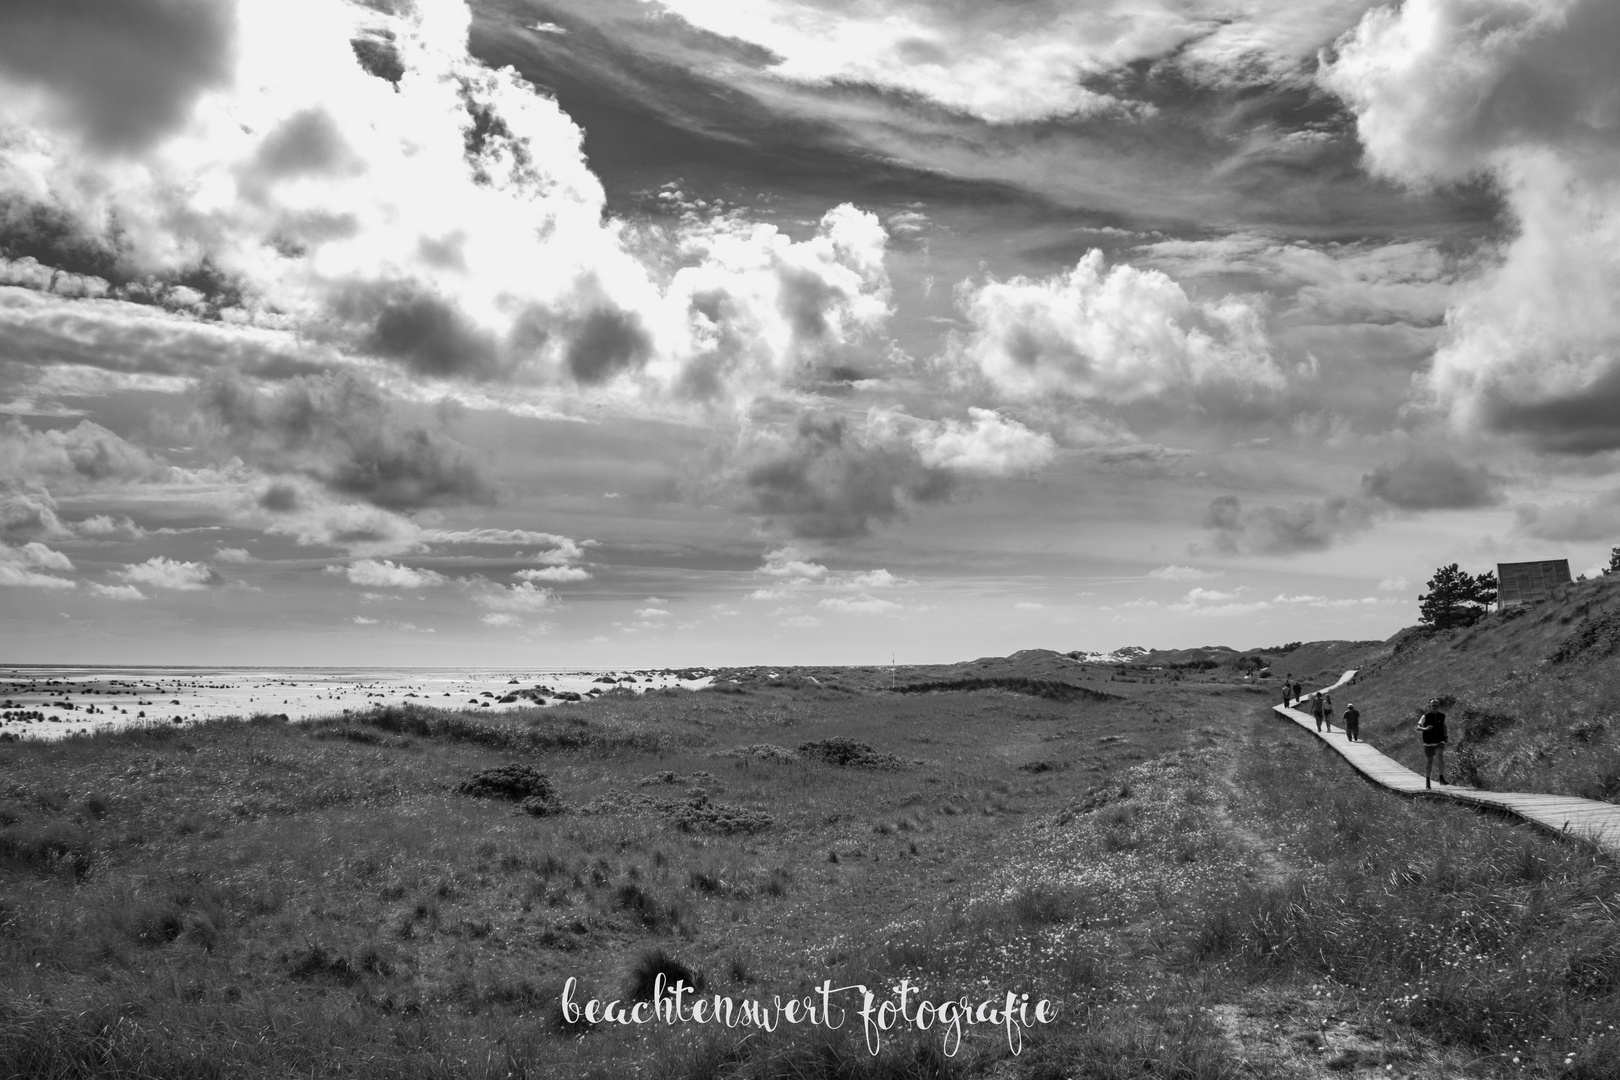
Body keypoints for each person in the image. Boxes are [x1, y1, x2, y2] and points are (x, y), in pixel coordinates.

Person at [1417, 698, 1448, 789]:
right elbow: (1418, 727)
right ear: (1430, 706)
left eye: (1436, 706)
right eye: (1433, 705)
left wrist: (1446, 737)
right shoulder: (1425, 716)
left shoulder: (1442, 716)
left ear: (1439, 706)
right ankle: (1427, 781)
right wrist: (1425, 729)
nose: (1434, 707)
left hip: (1439, 740)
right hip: (1428, 742)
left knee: (1440, 755)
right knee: (1429, 761)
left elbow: (1444, 726)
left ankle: (1441, 778)